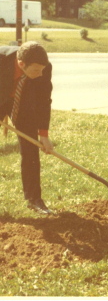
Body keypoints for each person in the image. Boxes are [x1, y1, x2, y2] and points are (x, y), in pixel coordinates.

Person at [0, 41, 54, 214]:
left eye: (42, 70)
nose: (40, 74)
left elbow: (44, 101)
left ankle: (34, 199)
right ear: (21, 64)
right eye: (36, 71)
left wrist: (44, 134)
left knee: (31, 148)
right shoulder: (2, 59)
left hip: (23, 102)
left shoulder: (43, 68)